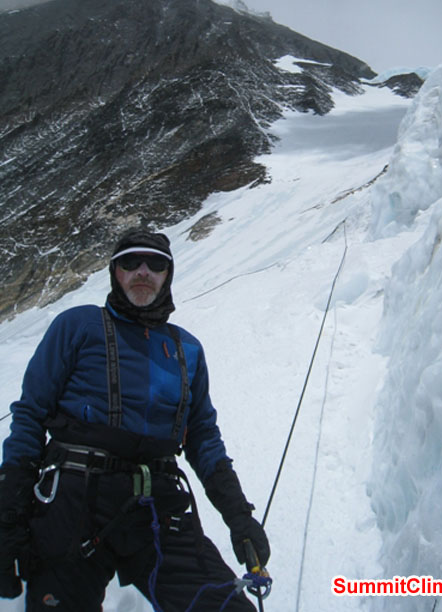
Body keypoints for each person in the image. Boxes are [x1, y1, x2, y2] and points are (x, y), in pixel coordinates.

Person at [0, 229, 270, 611]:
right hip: (73, 501)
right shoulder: (76, 326)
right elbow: (31, 412)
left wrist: (239, 516)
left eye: (155, 264)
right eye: (131, 262)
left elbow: (202, 437)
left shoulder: (186, 349)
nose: (143, 271)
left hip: (158, 504)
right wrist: (8, 517)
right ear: (115, 272)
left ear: (168, 275)